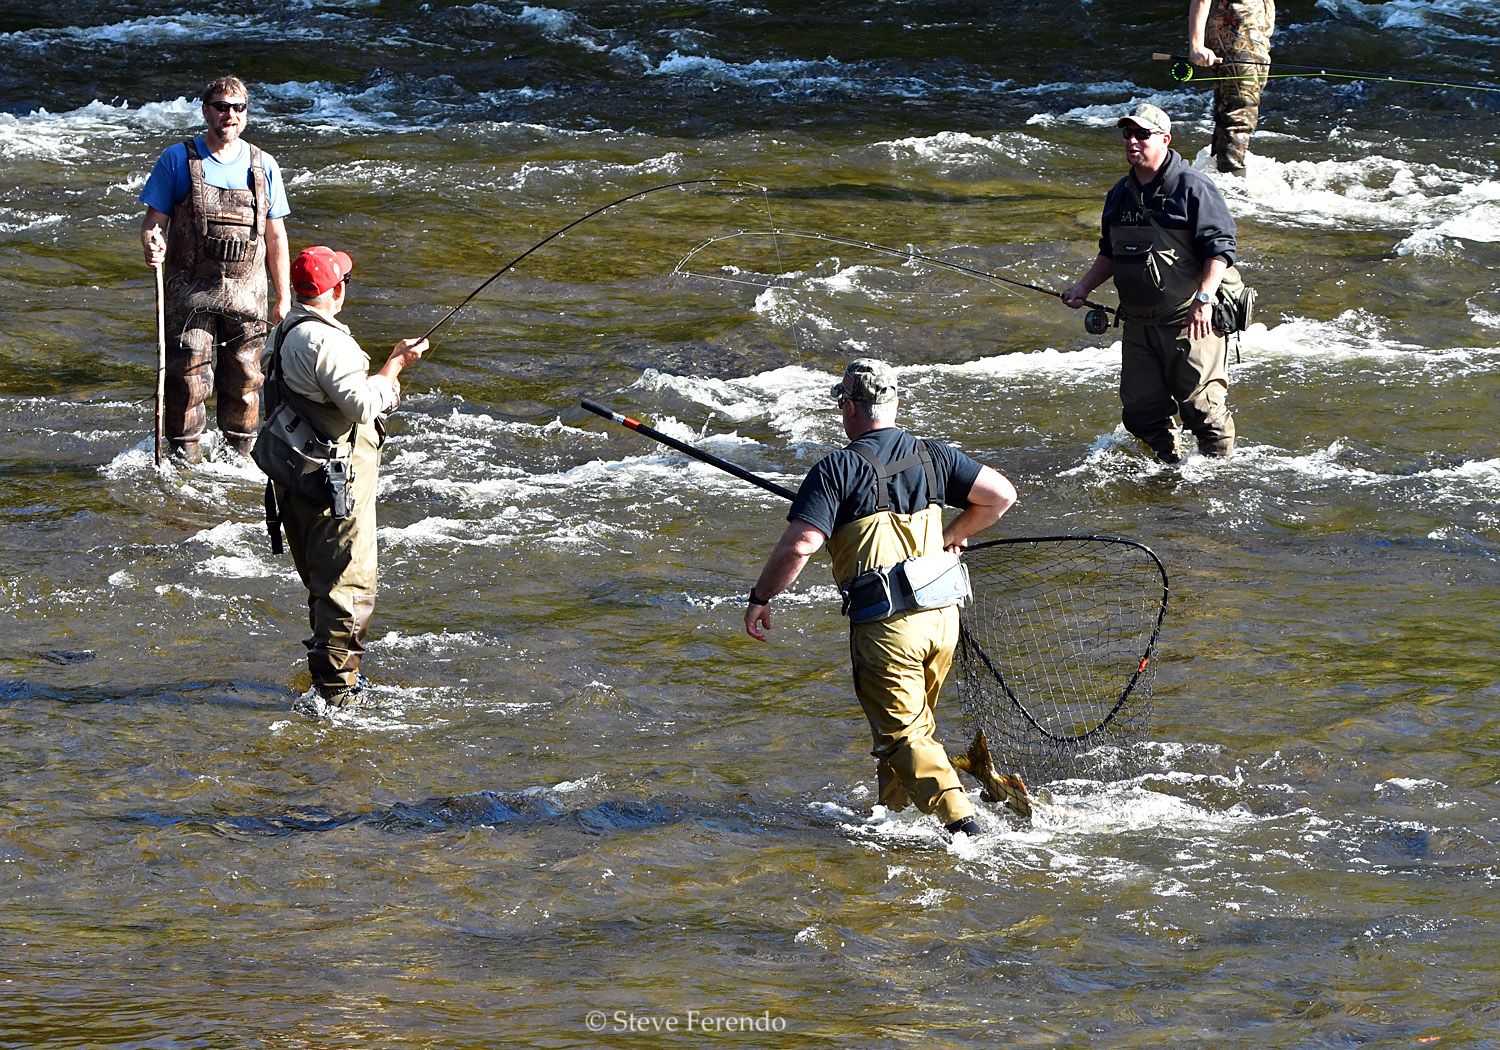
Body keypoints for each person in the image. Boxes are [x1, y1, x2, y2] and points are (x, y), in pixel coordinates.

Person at [744, 359, 1021, 839]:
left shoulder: (838, 468)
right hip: (942, 620)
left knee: (904, 736)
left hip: (889, 628)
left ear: (849, 408)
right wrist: (951, 536)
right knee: (913, 728)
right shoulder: (933, 456)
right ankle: (895, 821)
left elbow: (801, 544)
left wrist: (761, 596)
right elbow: (1000, 496)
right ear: (892, 404)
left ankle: (968, 830)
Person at [258, 245, 427, 712]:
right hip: (334, 485)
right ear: (336, 290)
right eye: (344, 281)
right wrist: (394, 367)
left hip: (297, 478)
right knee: (348, 586)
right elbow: (362, 405)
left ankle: (327, 680)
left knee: (321, 581)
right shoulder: (326, 341)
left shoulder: (284, 329)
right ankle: (338, 696)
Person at [1063, 104, 1239, 462]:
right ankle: (1169, 470)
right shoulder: (1119, 194)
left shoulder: (1193, 187)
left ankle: (1217, 478)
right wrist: (1083, 287)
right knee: (1141, 413)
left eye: (1142, 134)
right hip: (1138, 323)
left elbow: (1220, 250)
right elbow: (1109, 253)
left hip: (1190, 320)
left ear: (1165, 139)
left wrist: (1204, 299)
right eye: (1127, 134)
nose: (1132, 141)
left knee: (1204, 412)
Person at [139, 75, 292, 461]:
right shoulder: (177, 159)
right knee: (188, 377)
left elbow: (276, 238)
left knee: (245, 380)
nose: (230, 115)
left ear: (246, 114)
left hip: (248, 295)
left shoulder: (264, 166)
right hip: (189, 293)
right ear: (206, 110)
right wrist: (151, 242)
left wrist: (284, 296)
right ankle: (182, 460)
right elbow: (154, 221)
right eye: (221, 107)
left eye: (238, 108)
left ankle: (239, 461)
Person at [1188, 0, 1276, 176]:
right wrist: (1196, 45)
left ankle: (1216, 179)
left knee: (1234, 110)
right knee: (1239, 111)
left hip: (1257, 39)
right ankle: (1233, 185)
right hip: (1234, 38)